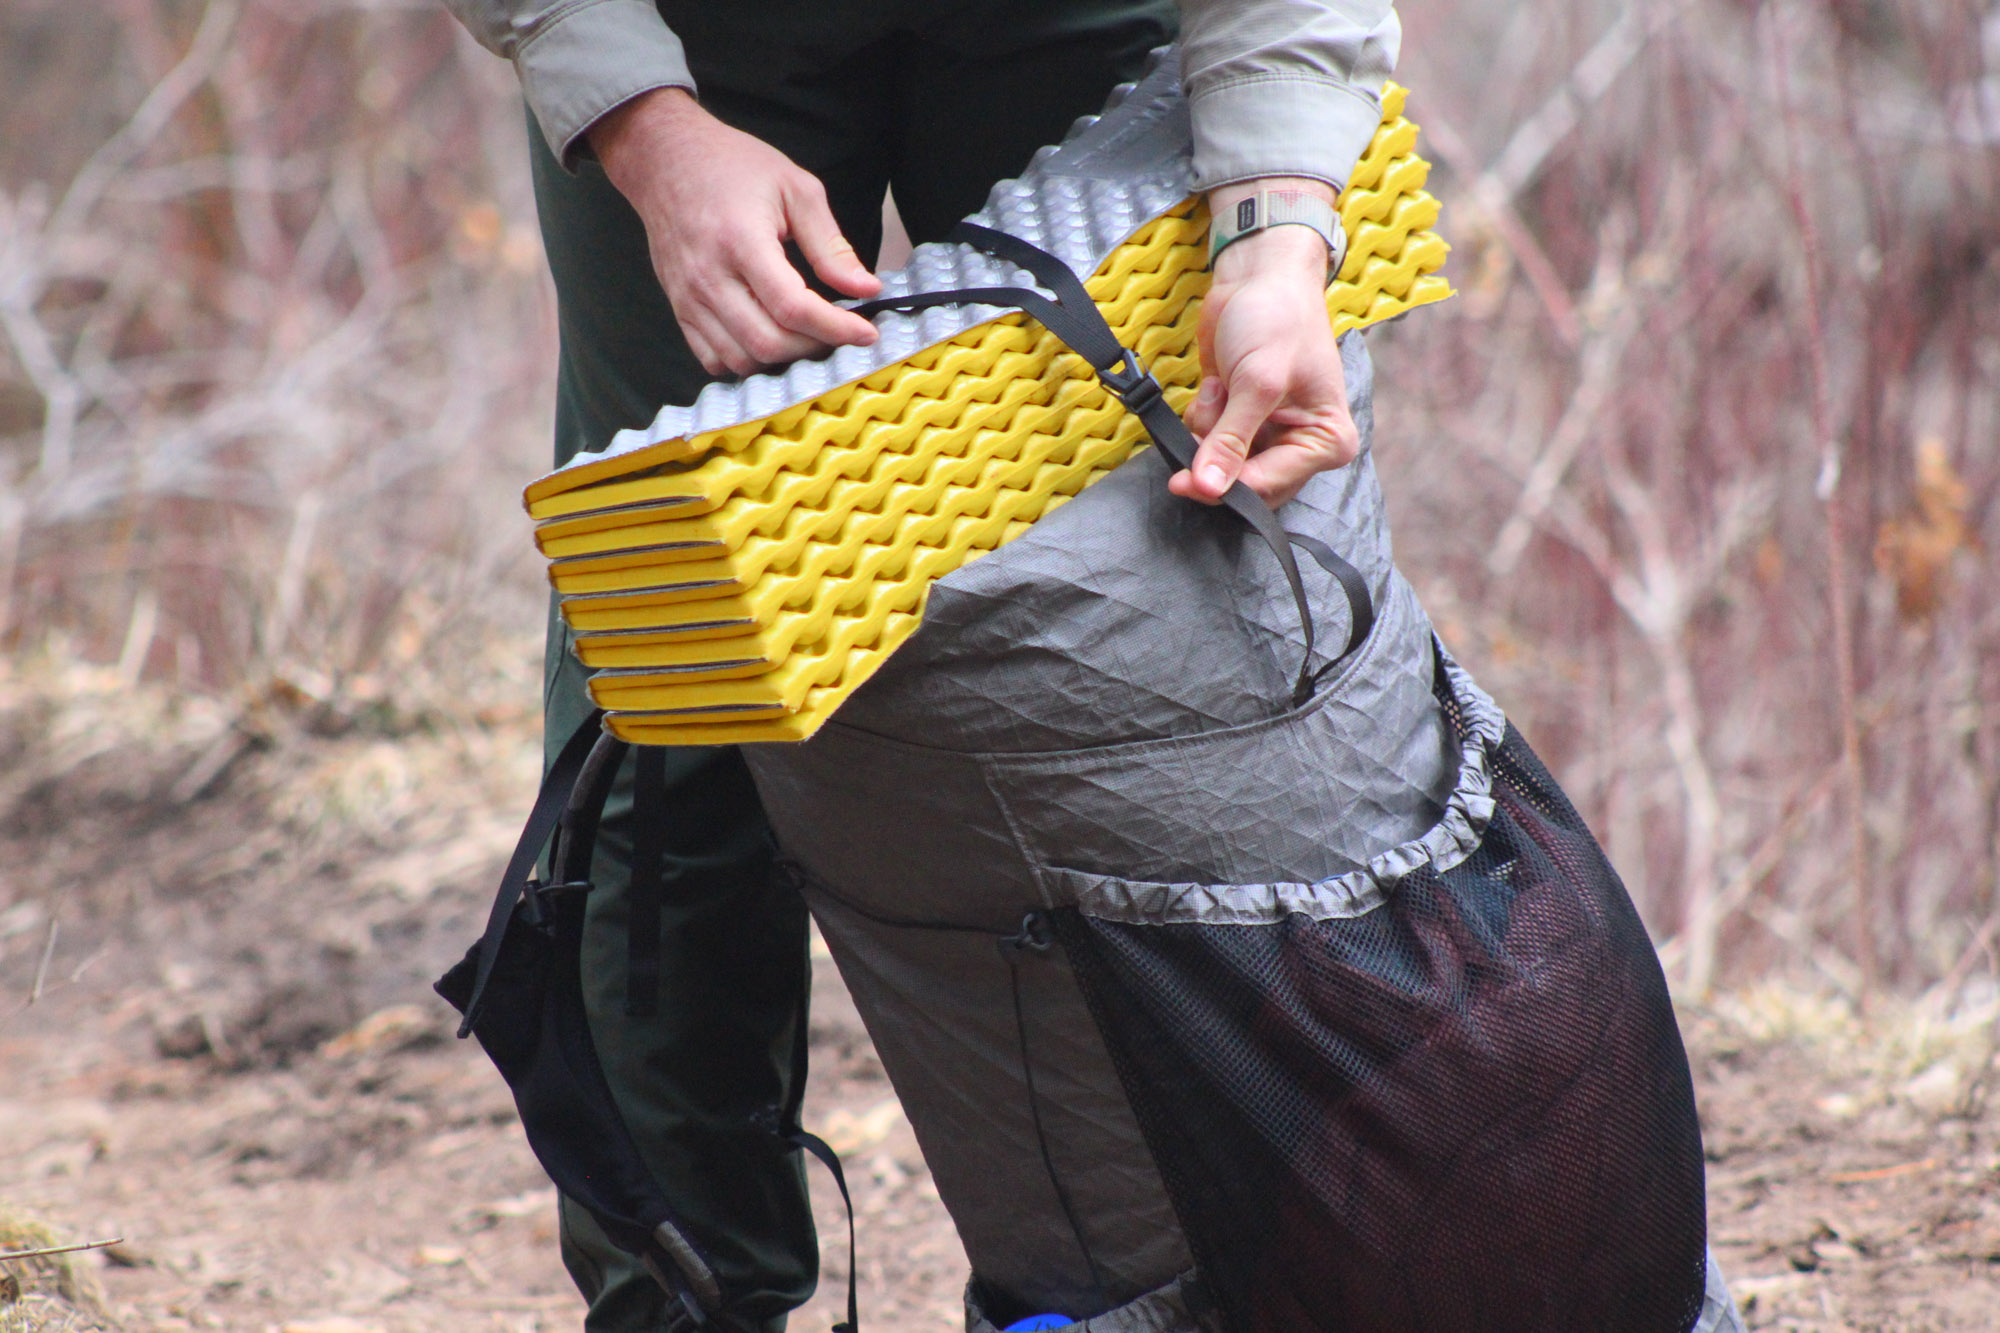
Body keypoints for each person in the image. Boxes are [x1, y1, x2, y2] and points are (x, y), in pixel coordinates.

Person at [438, 3, 1402, 1330]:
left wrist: (1277, 234)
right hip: (697, 35)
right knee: (680, 670)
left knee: (1186, 628)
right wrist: (643, 126)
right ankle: (683, 1300)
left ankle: (1205, 1285)